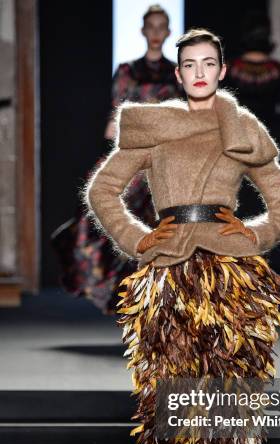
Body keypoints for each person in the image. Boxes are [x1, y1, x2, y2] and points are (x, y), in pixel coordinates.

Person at [85, 28, 280, 444]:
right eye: (190, 64)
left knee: (223, 417)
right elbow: (103, 191)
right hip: (171, 279)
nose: (200, 72)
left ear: (223, 70)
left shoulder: (241, 130)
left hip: (230, 283)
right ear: (177, 74)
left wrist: (252, 236)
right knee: (177, 416)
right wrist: (138, 238)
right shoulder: (153, 127)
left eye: (209, 63)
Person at [51, 4, 182, 314]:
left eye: (161, 26)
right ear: (142, 30)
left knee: (165, 227)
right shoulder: (126, 71)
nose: (155, 33)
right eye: (150, 26)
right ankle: (117, 290)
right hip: (133, 154)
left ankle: (158, 301)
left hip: (165, 160)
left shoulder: (176, 75)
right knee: (100, 212)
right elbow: (114, 122)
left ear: (167, 32)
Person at [223, 10, 280, 286]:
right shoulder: (279, 71)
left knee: (241, 206)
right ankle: (272, 275)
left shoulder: (231, 70)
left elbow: (224, 110)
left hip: (238, 143)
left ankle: (239, 272)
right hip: (272, 142)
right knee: (273, 205)